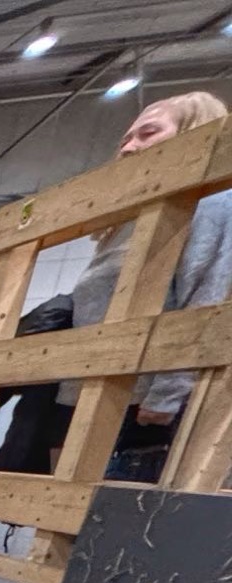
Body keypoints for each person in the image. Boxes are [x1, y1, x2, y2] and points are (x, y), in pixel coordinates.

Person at [49, 92, 232, 483]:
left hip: (151, 414)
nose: (130, 147)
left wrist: (166, 395)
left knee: (130, 531)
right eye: (125, 139)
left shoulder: (210, 205)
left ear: (192, 132)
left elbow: (208, 296)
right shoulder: (129, 225)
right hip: (99, 400)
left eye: (148, 134)